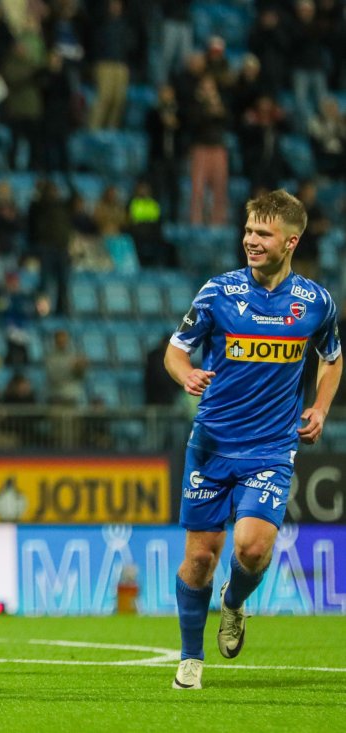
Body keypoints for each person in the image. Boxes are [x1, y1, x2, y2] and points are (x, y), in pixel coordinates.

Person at [165, 189, 341, 690]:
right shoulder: (217, 294)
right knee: (199, 557)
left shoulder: (315, 303)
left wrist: (321, 407)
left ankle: (235, 602)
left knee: (253, 549)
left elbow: (332, 358)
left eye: (262, 233)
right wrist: (186, 376)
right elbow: (176, 351)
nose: (251, 241)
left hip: (271, 447)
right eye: (247, 231)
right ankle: (191, 658)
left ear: (291, 240)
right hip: (212, 444)